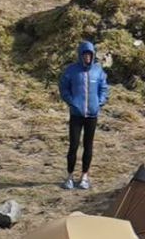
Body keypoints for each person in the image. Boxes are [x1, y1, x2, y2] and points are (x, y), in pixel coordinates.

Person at [58, 40, 108, 190]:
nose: (87, 57)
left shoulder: (98, 71)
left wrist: (99, 102)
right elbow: (63, 88)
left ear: (93, 55)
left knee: (88, 146)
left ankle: (84, 176)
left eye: (89, 55)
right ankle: (69, 177)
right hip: (76, 114)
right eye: (85, 55)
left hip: (92, 115)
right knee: (73, 145)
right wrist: (71, 101)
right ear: (80, 55)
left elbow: (104, 88)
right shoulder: (71, 70)